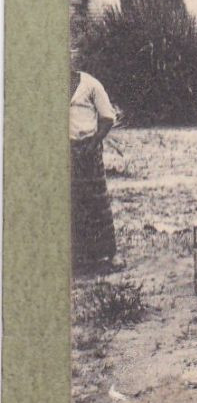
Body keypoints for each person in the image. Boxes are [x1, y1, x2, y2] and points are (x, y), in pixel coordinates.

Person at [70, 47, 118, 273]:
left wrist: (94, 142)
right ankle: (78, 258)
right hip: (65, 152)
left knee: (96, 202)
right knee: (72, 203)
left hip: (88, 150)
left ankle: (105, 256)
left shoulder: (90, 85)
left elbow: (107, 118)